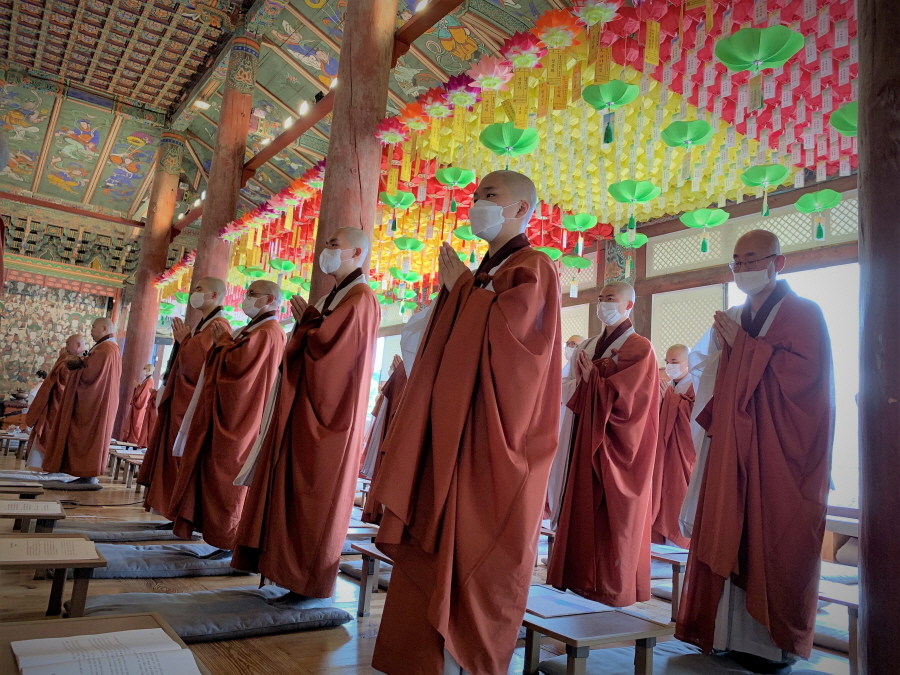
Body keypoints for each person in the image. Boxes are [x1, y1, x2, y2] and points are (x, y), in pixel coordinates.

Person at [369, 170, 561, 675]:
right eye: (475, 195)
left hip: (487, 444)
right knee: (430, 551)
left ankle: (463, 661)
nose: (477, 204)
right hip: (449, 434)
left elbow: (520, 360)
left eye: (489, 195)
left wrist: (462, 294)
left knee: (477, 549)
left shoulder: (534, 267)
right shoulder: (483, 273)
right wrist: (462, 293)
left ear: (521, 209)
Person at [676, 230, 834, 671]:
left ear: (777, 263)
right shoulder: (735, 315)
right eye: (737, 262)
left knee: (774, 535)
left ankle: (772, 646)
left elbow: (804, 385)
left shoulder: (805, 314)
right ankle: (724, 635)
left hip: (777, 452)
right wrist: (728, 352)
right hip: (733, 446)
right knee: (727, 526)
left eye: (752, 260)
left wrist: (744, 350)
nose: (743, 269)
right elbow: (710, 377)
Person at [232, 227, 380, 598]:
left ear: (357, 253)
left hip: (327, 420)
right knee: (289, 493)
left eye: (334, 244)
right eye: (326, 243)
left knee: (312, 498)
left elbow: (334, 361)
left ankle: (304, 581)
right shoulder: (334, 297)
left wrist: (311, 326)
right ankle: (281, 572)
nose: (325, 249)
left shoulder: (361, 298)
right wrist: (311, 325)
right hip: (302, 413)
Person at [547, 281, 659, 607]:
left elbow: (633, 402)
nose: (603, 304)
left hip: (614, 444)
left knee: (611, 515)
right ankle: (577, 579)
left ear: (628, 305)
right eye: (600, 298)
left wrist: (593, 382)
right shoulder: (589, 345)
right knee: (580, 506)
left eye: (610, 298)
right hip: (583, 435)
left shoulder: (640, 348)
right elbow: (567, 384)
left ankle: (610, 587)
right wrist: (586, 382)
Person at [167, 280, 285, 550]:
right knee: (213, 475)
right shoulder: (254, 330)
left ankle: (228, 541)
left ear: (269, 299)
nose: (246, 298)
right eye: (246, 293)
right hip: (230, 413)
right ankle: (215, 536)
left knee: (228, 479)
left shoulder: (268, 331)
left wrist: (222, 343)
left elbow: (237, 368)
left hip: (241, 418)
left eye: (252, 294)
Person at [137, 277, 230, 520]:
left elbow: (197, 366)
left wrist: (185, 342)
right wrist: (186, 341)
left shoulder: (218, 326)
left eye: (199, 288)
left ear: (214, 296)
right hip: (182, 401)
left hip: (191, 405)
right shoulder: (204, 326)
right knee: (172, 455)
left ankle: (178, 512)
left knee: (180, 456)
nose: (193, 293)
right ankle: (169, 509)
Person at [42, 318, 121, 484]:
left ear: (104, 328)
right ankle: (85, 474)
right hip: (99, 401)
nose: (91, 330)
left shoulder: (105, 349)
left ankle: (87, 474)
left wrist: (75, 365)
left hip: (94, 403)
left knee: (88, 438)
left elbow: (89, 376)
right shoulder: (109, 348)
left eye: (93, 327)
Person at [651, 344, 695, 549]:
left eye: (674, 362)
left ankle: (678, 547)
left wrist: (669, 400)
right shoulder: (669, 387)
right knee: (660, 494)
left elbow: (695, 418)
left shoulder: (696, 385)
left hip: (682, 454)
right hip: (663, 452)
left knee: (677, 494)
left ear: (689, 362)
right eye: (667, 362)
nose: (669, 367)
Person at [24, 335, 85, 468]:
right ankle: (39, 465)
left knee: (51, 435)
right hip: (53, 406)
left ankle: (48, 465)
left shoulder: (77, 362)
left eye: (68, 343)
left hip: (60, 407)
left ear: (78, 345)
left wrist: (62, 358)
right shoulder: (70, 360)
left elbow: (64, 382)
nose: (65, 347)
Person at [120, 364, 155, 447]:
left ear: (149, 370)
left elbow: (143, 395)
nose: (143, 370)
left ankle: (135, 441)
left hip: (141, 406)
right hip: (139, 405)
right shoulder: (147, 380)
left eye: (145, 368)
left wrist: (138, 387)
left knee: (137, 424)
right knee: (134, 422)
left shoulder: (149, 381)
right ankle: (131, 440)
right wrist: (138, 386)